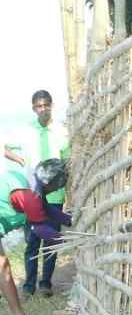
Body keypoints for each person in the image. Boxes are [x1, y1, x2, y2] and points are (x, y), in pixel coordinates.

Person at [0, 159, 71, 315]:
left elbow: (47, 209)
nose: (58, 190)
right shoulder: (30, 195)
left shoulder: (33, 180)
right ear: (51, 184)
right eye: (58, 187)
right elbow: (40, 229)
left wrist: (70, 220)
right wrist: (67, 240)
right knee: (3, 267)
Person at [19, 90, 69, 296]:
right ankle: (29, 285)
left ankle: (45, 283)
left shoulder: (61, 131)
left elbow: (68, 160)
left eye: (46, 105)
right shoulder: (26, 131)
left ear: (52, 105)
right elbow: (5, 147)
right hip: (32, 195)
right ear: (33, 109)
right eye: (39, 106)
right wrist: (22, 161)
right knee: (32, 241)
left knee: (51, 241)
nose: (43, 109)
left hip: (55, 194)